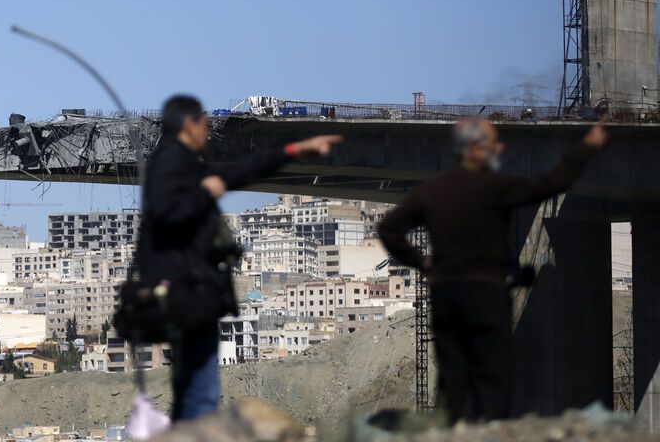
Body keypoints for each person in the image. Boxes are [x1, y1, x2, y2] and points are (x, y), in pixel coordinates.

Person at [377, 117, 608, 423]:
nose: (499, 148)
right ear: (473, 149)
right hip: (486, 292)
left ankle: (455, 436)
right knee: (493, 372)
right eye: (492, 142)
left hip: (446, 295)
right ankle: (490, 437)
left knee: (453, 373)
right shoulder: (495, 187)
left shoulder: (434, 190)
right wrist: (587, 147)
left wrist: (422, 262)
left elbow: (389, 228)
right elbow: (552, 182)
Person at [138, 94, 341, 421]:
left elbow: (235, 175)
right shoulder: (170, 163)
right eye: (204, 123)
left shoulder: (182, 163)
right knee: (200, 394)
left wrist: (291, 151)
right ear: (189, 124)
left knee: (196, 390)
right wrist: (206, 193)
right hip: (185, 293)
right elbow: (165, 213)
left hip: (191, 293)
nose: (208, 130)